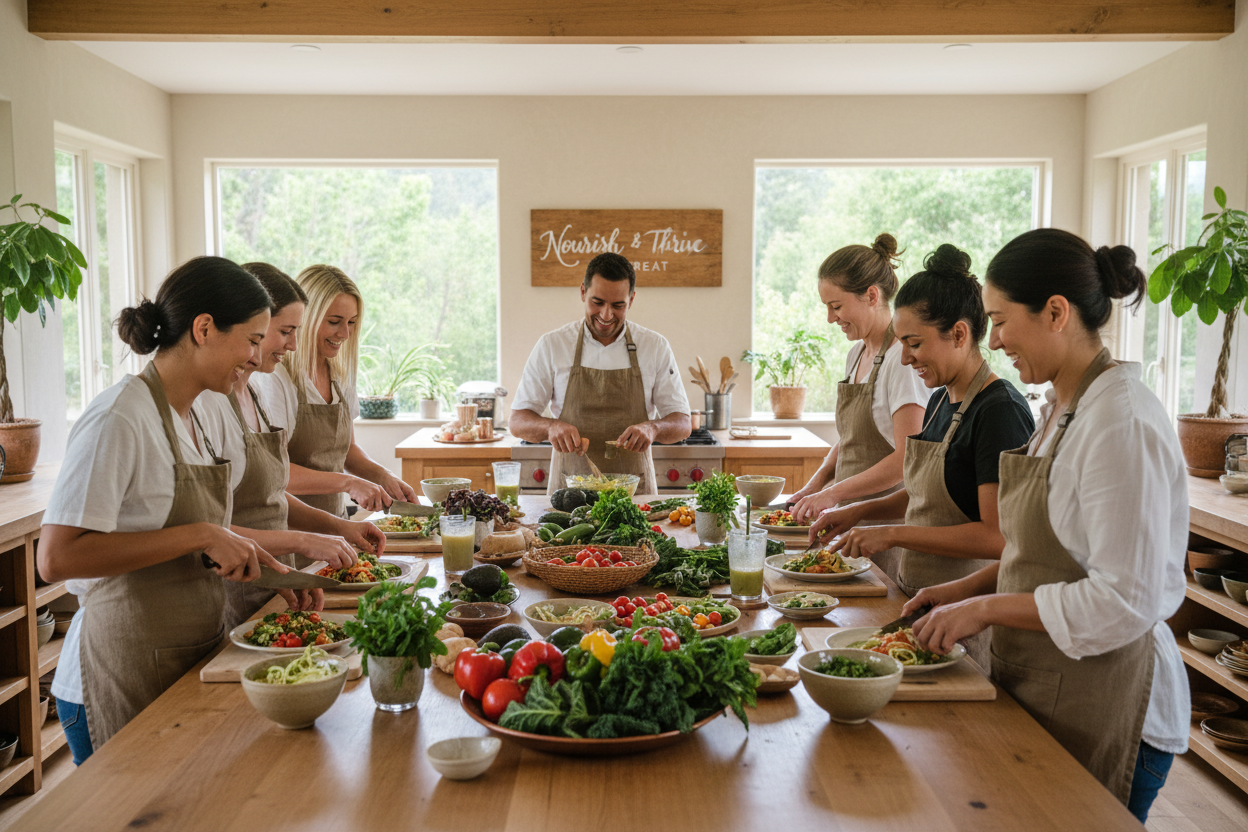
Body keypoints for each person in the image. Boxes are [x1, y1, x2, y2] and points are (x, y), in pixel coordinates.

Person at [901, 229, 1189, 822]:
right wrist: (959, 592)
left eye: (1001, 321)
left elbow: (1123, 600)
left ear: (1055, 312)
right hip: (1054, 681)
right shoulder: (1063, 405)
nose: (996, 339)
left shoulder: (1121, 422)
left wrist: (981, 610)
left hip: (1111, 700)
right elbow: (1040, 553)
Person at [39, 256, 293, 764]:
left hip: (187, 656)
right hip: (115, 674)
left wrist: (261, 564)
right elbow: (57, 558)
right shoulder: (120, 417)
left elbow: (205, 533)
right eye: (251, 339)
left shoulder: (205, 410)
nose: (256, 355)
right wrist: (200, 534)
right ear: (204, 329)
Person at [808, 245, 1034, 668]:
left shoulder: (999, 411)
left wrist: (893, 533)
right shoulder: (941, 401)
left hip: (967, 616)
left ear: (960, 335)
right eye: (902, 344)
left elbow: (996, 537)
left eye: (914, 343)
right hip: (924, 598)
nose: (906, 357)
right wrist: (861, 511)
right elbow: (922, 492)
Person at [194, 263, 385, 629]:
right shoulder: (210, 403)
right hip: (237, 588)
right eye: (284, 331)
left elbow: (271, 495)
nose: (293, 344)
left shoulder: (253, 394)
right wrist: (307, 538)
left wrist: (336, 527)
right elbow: (210, 528)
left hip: (275, 577)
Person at [789, 234, 930, 583]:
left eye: (836, 306)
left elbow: (907, 458)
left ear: (871, 295)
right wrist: (816, 484)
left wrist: (833, 493)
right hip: (849, 520)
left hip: (885, 526)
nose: (829, 318)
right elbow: (851, 437)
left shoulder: (902, 358)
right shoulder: (857, 355)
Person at [510, 252, 691, 495]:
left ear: (632, 299)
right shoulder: (553, 345)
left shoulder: (654, 346)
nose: (606, 315)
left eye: (618, 305)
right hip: (569, 495)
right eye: (597, 302)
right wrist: (550, 427)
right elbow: (518, 421)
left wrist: (653, 428)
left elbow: (682, 422)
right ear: (583, 292)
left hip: (635, 498)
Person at [254, 264, 417, 518]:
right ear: (305, 319)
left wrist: (384, 477)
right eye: (334, 322)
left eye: (352, 322)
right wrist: (348, 483)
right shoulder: (276, 377)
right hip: (290, 528)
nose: (345, 333)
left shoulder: (340, 375)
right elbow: (274, 471)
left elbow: (346, 449)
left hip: (335, 522)